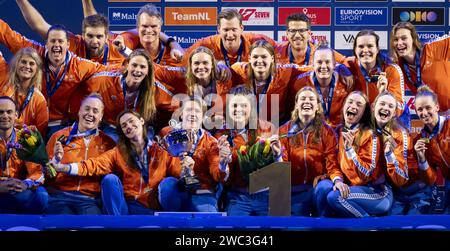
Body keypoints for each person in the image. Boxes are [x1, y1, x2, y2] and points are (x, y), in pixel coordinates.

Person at [51, 110, 180, 215]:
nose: (128, 126)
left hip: (152, 207)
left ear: (141, 121)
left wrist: (187, 170)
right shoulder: (117, 153)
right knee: (110, 179)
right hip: (126, 208)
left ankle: (174, 223)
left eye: (131, 121)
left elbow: (177, 172)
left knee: (170, 183)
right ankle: (117, 225)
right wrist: (63, 167)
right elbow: (94, 165)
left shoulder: (162, 150)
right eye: (124, 126)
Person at [0, 19, 110, 139]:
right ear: (46, 43)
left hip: (60, 126)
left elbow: (110, 71)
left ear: (68, 45)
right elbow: (9, 36)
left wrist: (128, 58)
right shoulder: (35, 54)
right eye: (52, 41)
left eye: (60, 41)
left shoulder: (80, 66)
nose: (56, 45)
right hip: (30, 121)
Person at [275, 86, 347, 216]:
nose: (307, 102)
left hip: (317, 188)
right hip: (294, 190)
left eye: (311, 99)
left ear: (317, 106)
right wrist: (277, 155)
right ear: (296, 105)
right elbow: (282, 168)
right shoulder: (283, 131)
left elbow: (332, 163)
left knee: (326, 187)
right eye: (303, 99)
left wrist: (337, 181)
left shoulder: (327, 132)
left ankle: (325, 223)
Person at [45, 93, 116, 214]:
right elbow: (46, 172)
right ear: (79, 111)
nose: (90, 114)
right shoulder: (59, 136)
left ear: (101, 116)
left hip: (89, 201)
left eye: (95, 111)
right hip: (60, 197)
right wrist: (55, 162)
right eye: (87, 109)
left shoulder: (108, 143)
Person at [327, 91, 393, 217]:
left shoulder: (369, 135)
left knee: (335, 198)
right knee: (324, 190)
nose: (353, 106)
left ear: (364, 113)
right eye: (350, 102)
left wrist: (350, 150)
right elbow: (332, 163)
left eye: (359, 104)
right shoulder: (337, 132)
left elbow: (366, 173)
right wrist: (338, 181)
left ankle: (370, 226)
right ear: (344, 106)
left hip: (378, 192)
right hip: (353, 188)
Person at [158, 98, 229, 212]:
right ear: (181, 114)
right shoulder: (168, 136)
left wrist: (223, 163)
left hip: (202, 192)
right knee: (166, 186)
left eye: (197, 111)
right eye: (189, 110)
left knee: (208, 217)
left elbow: (218, 174)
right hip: (177, 190)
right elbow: (159, 168)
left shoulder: (211, 142)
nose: (192, 114)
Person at [84, 49, 170, 141]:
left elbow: (179, 104)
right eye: (134, 65)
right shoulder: (105, 80)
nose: (137, 70)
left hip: (140, 128)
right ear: (127, 65)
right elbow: (82, 88)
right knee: (114, 145)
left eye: (142, 67)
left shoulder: (155, 89)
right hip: (112, 128)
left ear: (148, 71)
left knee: (143, 147)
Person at [214, 91, 277, 216]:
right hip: (238, 196)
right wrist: (223, 163)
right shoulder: (221, 136)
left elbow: (281, 167)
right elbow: (224, 179)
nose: (239, 110)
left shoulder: (267, 128)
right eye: (235, 106)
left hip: (267, 195)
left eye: (244, 106)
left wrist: (277, 155)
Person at [371, 91, 433, 215]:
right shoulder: (368, 131)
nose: (385, 108)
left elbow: (401, 179)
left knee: (413, 226)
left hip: (416, 191)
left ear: (394, 113)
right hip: (396, 192)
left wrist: (389, 155)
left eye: (390, 106)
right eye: (382, 104)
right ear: (373, 107)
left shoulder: (398, 133)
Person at [16, 0, 125, 68]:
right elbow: (40, 26)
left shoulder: (119, 48)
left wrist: (125, 51)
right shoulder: (76, 43)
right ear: (83, 35)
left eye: (99, 36)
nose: (94, 41)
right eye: (90, 36)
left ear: (107, 37)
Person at [231, 40, 311, 125]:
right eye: (255, 57)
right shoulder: (238, 70)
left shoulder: (285, 71)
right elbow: (223, 71)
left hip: (276, 126)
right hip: (247, 125)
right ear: (249, 59)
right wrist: (222, 66)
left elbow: (308, 69)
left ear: (272, 58)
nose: (259, 61)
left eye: (264, 57)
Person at [152, 46, 233, 131]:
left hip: (215, 130)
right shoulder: (181, 74)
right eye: (196, 63)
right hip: (186, 125)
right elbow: (153, 69)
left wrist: (223, 66)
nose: (201, 67)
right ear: (190, 65)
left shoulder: (223, 79)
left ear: (212, 65)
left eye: (205, 63)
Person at [0, 96, 48, 214]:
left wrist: (25, 184)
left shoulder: (27, 138)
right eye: (0, 112)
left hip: (18, 190)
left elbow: (38, 172)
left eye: (9, 112)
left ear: (16, 115)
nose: (5, 116)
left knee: (42, 196)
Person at [390, 22, 450, 112]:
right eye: (396, 39)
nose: (399, 43)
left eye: (404, 38)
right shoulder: (398, 66)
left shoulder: (433, 49)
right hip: (432, 116)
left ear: (413, 39)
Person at [184, 9, 276, 67]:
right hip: (218, 94)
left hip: (251, 92)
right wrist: (171, 43)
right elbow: (182, 59)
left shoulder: (257, 40)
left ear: (241, 28)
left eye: (234, 29)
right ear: (219, 29)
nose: (230, 35)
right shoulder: (206, 44)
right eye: (226, 30)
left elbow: (283, 50)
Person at [345, 30, 405, 115]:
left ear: (377, 49)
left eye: (370, 46)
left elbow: (399, 110)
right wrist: (343, 70)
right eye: (361, 46)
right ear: (355, 50)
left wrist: (384, 95)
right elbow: (330, 57)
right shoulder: (349, 65)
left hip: (387, 121)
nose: (365, 50)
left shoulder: (391, 70)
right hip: (361, 120)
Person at [290, 44, 349, 129]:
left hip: (339, 133)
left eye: (328, 62)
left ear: (334, 64)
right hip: (311, 133)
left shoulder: (345, 81)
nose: (323, 66)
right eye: (319, 62)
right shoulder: (300, 83)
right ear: (312, 64)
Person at [413, 85, 449, 213]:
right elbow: (430, 179)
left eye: (428, 108)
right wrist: (421, 158)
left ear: (437, 107)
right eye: (420, 109)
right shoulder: (420, 140)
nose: (424, 113)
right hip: (447, 184)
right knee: (437, 216)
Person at [0, 47, 48, 137]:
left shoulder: (39, 100)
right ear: (16, 64)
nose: (27, 66)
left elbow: (40, 134)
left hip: (22, 147)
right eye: (23, 62)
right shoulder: (4, 84)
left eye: (31, 63)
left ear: (37, 70)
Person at [275, 13, 346, 66]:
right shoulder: (277, 51)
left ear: (309, 33)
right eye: (293, 31)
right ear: (287, 33)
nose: (297, 35)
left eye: (302, 30)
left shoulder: (320, 51)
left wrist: (343, 69)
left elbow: (346, 61)